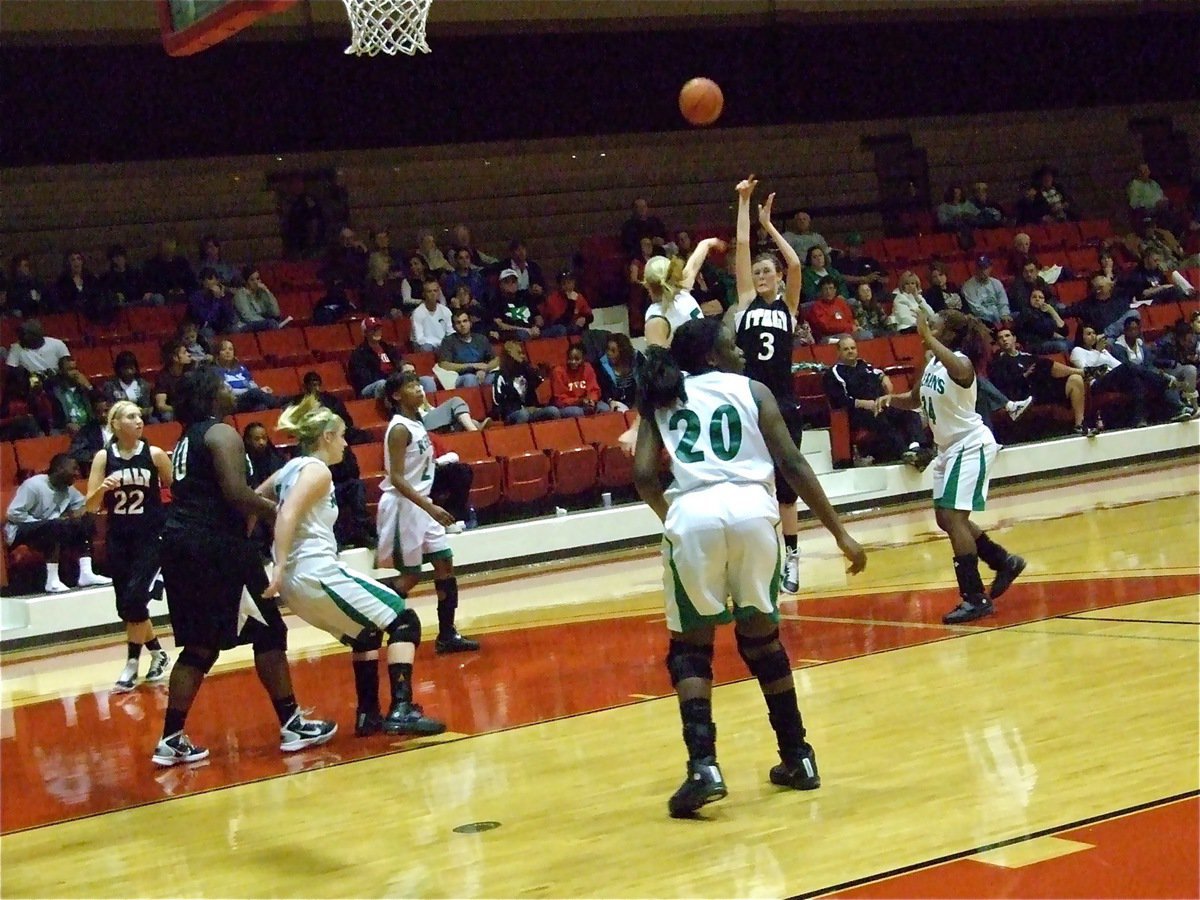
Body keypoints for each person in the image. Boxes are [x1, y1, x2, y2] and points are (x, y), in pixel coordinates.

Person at [632, 317, 866, 818]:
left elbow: (643, 474)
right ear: (713, 355)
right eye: (732, 344)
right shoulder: (753, 390)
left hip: (693, 514)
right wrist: (841, 534)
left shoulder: (663, 395)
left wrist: (673, 517)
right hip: (754, 514)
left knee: (690, 652)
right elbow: (795, 466)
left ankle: (704, 768)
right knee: (762, 642)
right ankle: (798, 756)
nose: (740, 349)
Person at [152, 366, 336, 767]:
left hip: (183, 547)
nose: (230, 389)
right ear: (208, 393)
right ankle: (292, 723)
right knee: (270, 630)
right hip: (216, 548)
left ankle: (170, 738)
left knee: (200, 644)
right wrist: (279, 512)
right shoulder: (221, 432)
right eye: (222, 383)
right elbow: (235, 493)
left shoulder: (187, 439)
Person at [258, 395, 445, 737]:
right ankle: (401, 709)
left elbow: (256, 501)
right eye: (342, 435)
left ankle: (368, 715)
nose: (345, 443)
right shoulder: (315, 470)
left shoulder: (287, 470)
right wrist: (280, 563)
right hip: (316, 572)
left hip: (299, 584)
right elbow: (286, 513)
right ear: (327, 437)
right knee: (404, 620)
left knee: (366, 632)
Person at [875, 308, 1026, 625]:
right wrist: (890, 400)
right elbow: (916, 398)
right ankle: (1003, 560)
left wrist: (927, 337)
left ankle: (975, 598)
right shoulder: (932, 362)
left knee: (956, 518)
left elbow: (959, 367)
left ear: (950, 334)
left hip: (970, 444)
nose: (931, 327)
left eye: (937, 325)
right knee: (946, 519)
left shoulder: (962, 364)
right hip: (947, 448)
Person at [730, 177, 807, 594]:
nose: (760, 274)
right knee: (751, 486)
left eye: (766, 271)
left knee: (786, 487)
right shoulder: (745, 303)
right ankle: (759, 560)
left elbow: (795, 265)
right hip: (750, 404)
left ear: (777, 277)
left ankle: (792, 557)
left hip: (784, 403)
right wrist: (743, 202)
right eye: (756, 271)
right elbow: (742, 248)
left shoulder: (788, 307)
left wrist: (770, 225)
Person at [377, 372, 479, 654]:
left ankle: (447, 634)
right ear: (396, 395)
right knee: (410, 576)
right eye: (410, 385)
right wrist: (430, 506)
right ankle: (371, 620)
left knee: (445, 563)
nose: (418, 389)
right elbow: (396, 477)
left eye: (418, 384)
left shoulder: (417, 423)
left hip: (422, 504)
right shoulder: (398, 428)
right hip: (405, 505)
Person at [84, 400, 173, 691]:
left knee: (136, 599)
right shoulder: (103, 457)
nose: (138, 420)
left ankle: (131, 664)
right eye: (130, 416)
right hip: (119, 537)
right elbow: (91, 505)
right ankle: (158, 653)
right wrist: (102, 488)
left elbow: (177, 490)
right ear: (115, 424)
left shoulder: (156, 455)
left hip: (150, 536)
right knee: (127, 607)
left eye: (139, 415)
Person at [4, 453, 113, 594]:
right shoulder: (34, 485)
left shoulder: (67, 490)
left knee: (83, 522)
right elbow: (13, 513)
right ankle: (52, 580)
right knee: (55, 526)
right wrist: (42, 523)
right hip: (20, 529)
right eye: (73, 469)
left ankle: (86, 573)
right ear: (60, 468)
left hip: (49, 528)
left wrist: (81, 512)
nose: (77, 473)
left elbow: (83, 506)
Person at [823, 337, 933, 465]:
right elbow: (839, 401)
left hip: (879, 404)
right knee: (883, 422)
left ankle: (917, 448)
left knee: (910, 414)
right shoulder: (833, 373)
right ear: (838, 352)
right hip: (858, 412)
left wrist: (884, 377)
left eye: (853, 348)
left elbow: (877, 372)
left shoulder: (863, 364)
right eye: (846, 349)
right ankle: (903, 452)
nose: (850, 351)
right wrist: (864, 404)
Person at [989, 328, 1090, 435]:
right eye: (1000, 338)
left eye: (1007, 336)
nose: (1004, 339)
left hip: (1042, 388)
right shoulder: (998, 363)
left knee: (1075, 379)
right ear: (998, 343)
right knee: (1043, 364)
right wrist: (1024, 375)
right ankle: (1083, 372)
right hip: (1023, 395)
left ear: (1014, 339)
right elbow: (1003, 385)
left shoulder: (1027, 356)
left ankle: (1079, 425)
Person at [492, 341, 560, 425]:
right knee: (523, 414)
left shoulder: (526, 370)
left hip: (530, 411)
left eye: (523, 353)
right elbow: (497, 401)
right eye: (519, 353)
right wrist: (520, 408)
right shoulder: (500, 375)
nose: (523, 356)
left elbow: (535, 382)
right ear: (509, 354)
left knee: (553, 411)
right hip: (512, 414)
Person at [437, 310, 498, 388]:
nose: (462, 325)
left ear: (470, 323)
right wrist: (472, 366)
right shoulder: (448, 341)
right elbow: (444, 364)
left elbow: (496, 360)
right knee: (470, 378)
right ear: (453, 327)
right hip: (460, 377)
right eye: (458, 323)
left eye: (465, 321)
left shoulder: (481, 339)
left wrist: (485, 369)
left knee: (497, 376)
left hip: (482, 374)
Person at [215, 339, 276, 412]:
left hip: (250, 398)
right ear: (218, 353)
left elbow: (252, 383)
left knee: (261, 407)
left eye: (231, 349)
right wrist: (256, 391)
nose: (228, 352)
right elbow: (229, 392)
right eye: (223, 349)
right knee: (256, 393)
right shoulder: (216, 371)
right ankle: (278, 404)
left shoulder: (241, 368)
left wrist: (259, 390)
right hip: (234, 402)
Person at [550, 343, 609, 417]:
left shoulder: (587, 368)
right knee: (576, 412)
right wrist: (578, 401)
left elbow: (594, 389)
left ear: (583, 358)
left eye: (577, 359)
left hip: (586, 403)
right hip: (568, 406)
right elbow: (559, 400)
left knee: (604, 408)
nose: (573, 362)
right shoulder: (559, 371)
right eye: (570, 358)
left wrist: (591, 400)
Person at [596, 333, 641, 412]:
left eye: (613, 351)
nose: (609, 353)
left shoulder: (637, 359)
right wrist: (610, 401)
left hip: (636, 399)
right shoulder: (603, 365)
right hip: (616, 402)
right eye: (607, 349)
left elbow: (644, 383)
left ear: (623, 351)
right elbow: (604, 390)